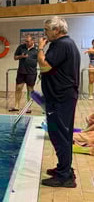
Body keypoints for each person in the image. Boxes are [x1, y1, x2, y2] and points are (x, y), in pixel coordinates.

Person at [37, 16, 80, 187]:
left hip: (60, 98)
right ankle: (64, 169)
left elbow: (45, 66)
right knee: (63, 135)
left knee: (59, 135)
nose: (45, 33)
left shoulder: (61, 45)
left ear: (56, 30)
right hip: (63, 97)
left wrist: (41, 48)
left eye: (46, 30)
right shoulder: (68, 43)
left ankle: (64, 177)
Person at [10, 35, 38, 112]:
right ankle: (16, 106)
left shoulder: (37, 49)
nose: (26, 43)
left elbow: (41, 60)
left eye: (27, 41)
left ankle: (28, 107)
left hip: (31, 73)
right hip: (21, 72)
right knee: (18, 88)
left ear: (32, 41)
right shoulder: (21, 47)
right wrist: (21, 56)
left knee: (30, 90)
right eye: (25, 41)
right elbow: (15, 57)